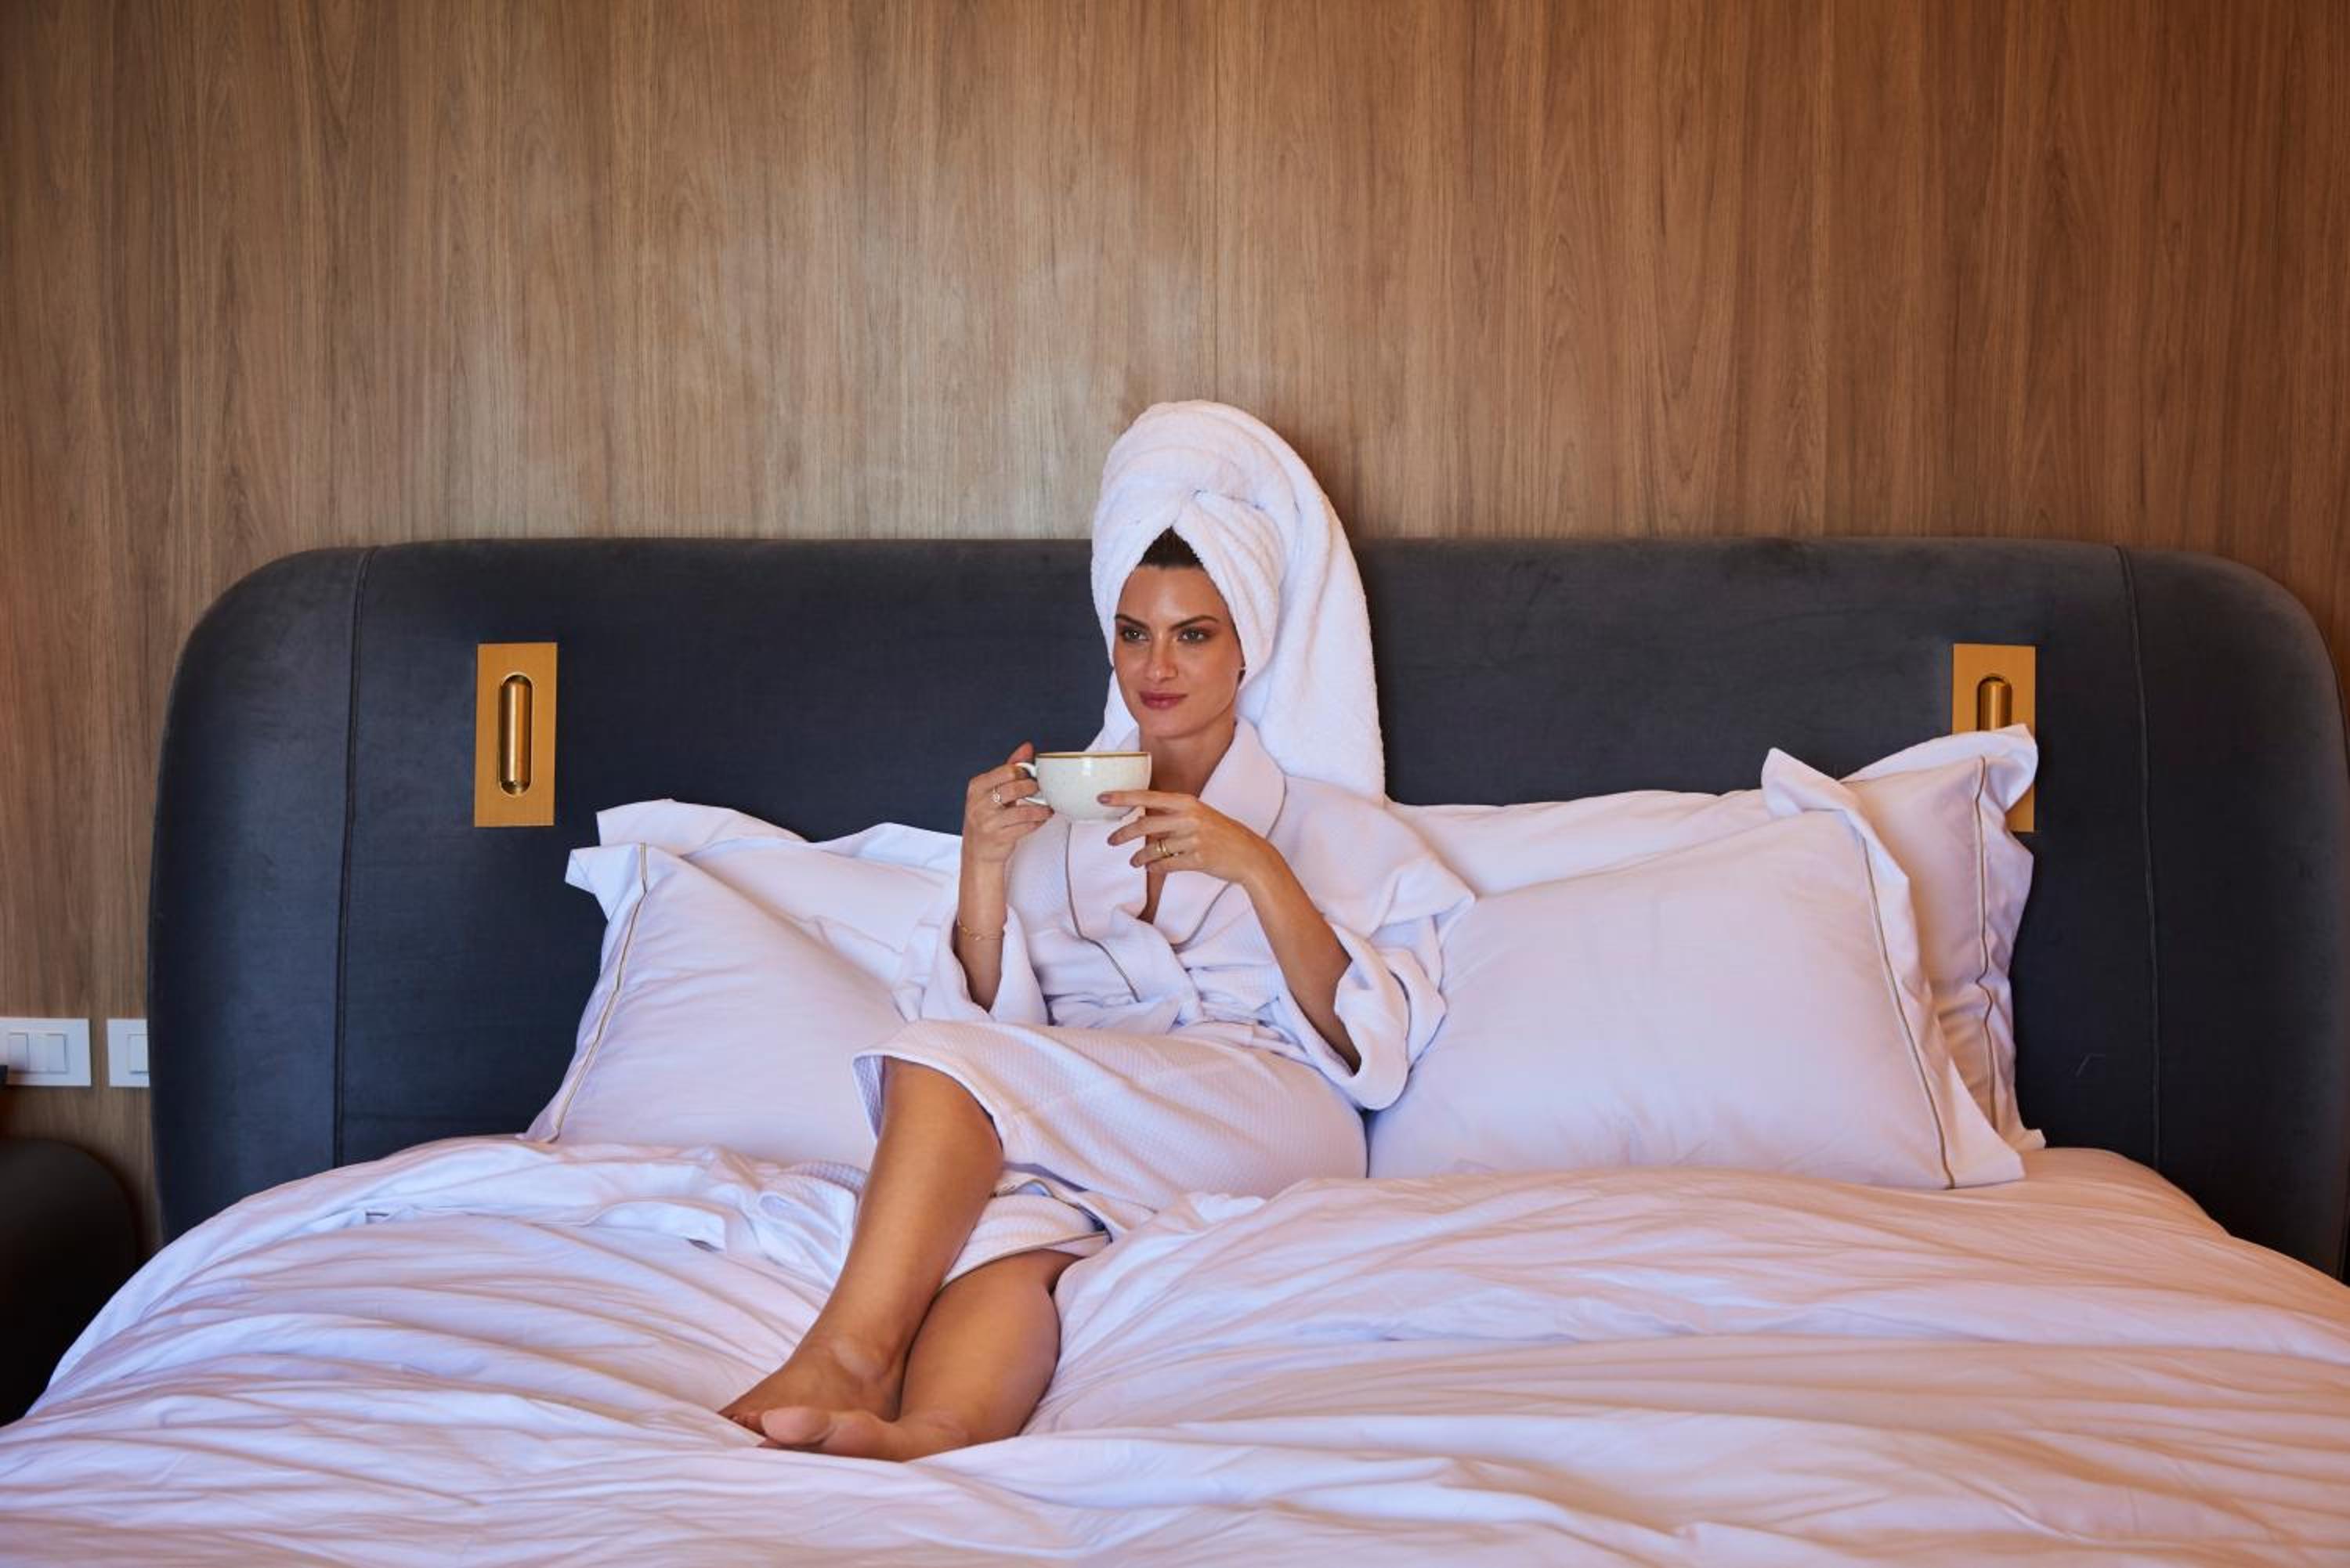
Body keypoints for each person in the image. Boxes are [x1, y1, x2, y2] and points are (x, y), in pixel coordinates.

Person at [720, 402, 1471, 1460]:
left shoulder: (1335, 827)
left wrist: (1256, 866)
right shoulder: (1060, 823)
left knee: (938, 1063)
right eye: (1134, 632)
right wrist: (984, 871)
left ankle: (846, 1351)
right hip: (1090, 1109)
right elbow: (991, 1027)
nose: (1158, 666)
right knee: (1009, 1234)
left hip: (1266, 1106)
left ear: (1248, 648)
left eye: (1194, 634)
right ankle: (933, 1431)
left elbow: (1373, 1053)